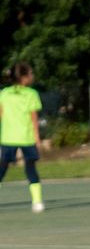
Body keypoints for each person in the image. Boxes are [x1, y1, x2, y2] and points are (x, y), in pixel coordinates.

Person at [0, 62, 46, 212]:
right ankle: (37, 202)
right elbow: (34, 118)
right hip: (27, 137)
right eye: (31, 74)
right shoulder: (31, 94)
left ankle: (37, 201)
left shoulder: (4, 93)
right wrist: (37, 138)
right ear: (24, 77)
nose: (33, 76)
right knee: (30, 168)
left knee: (2, 168)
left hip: (7, 137)